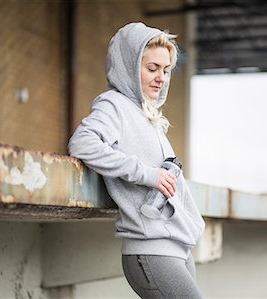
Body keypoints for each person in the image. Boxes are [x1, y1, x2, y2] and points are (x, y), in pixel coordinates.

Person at [68, 22, 205, 299]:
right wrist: (147, 174)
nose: (161, 78)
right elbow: (82, 143)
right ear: (129, 66)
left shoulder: (148, 116)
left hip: (176, 247)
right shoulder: (113, 105)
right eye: (152, 69)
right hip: (151, 251)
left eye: (166, 71)